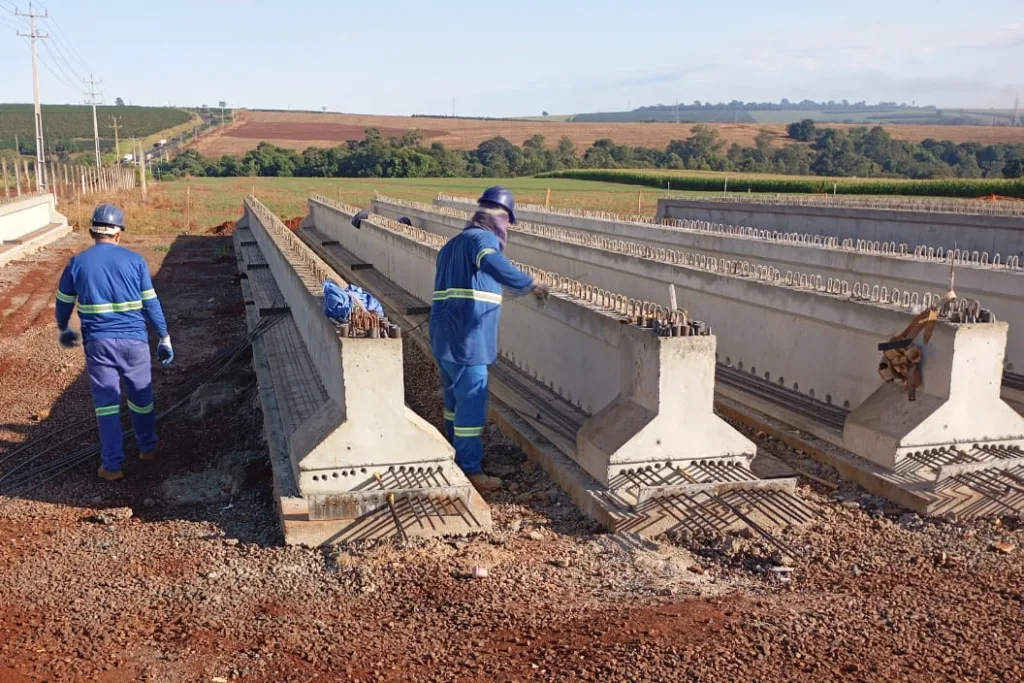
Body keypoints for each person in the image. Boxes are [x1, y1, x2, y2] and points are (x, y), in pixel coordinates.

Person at [429, 186, 547, 492]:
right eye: (508, 223)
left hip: (444, 337)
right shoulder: (482, 239)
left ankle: (453, 453)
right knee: (472, 402)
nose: (507, 230)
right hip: (468, 338)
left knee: (454, 400)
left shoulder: (452, 244)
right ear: (501, 218)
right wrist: (528, 283)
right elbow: (491, 262)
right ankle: (469, 470)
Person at [55, 204, 174, 481]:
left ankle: (112, 466)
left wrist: (64, 328)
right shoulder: (135, 261)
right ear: (119, 234)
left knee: (107, 404)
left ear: (91, 232)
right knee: (141, 398)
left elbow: (63, 303)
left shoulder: (77, 263)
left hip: (99, 344)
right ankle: (148, 448)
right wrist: (164, 337)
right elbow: (151, 304)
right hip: (135, 342)